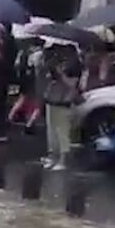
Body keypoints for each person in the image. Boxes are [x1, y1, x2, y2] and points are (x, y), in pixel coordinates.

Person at [41, 42, 83, 170]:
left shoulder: (75, 65)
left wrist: (60, 74)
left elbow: (72, 84)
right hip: (53, 98)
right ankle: (53, 156)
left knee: (62, 132)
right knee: (51, 131)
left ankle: (62, 160)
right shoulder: (56, 62)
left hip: (64, 101)